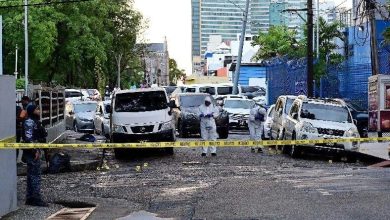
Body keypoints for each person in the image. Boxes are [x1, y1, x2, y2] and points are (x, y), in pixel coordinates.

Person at [23, 104, 48, 207]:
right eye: (37, 109)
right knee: (35, 176)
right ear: (32, 111)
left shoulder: (35, 121)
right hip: (32, 152)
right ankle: (35, 198)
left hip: (35, 150)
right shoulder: (29, 121)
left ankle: (30, 198)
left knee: (31, 175)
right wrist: (34, 151)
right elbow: (28, 138)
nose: (39, 110)